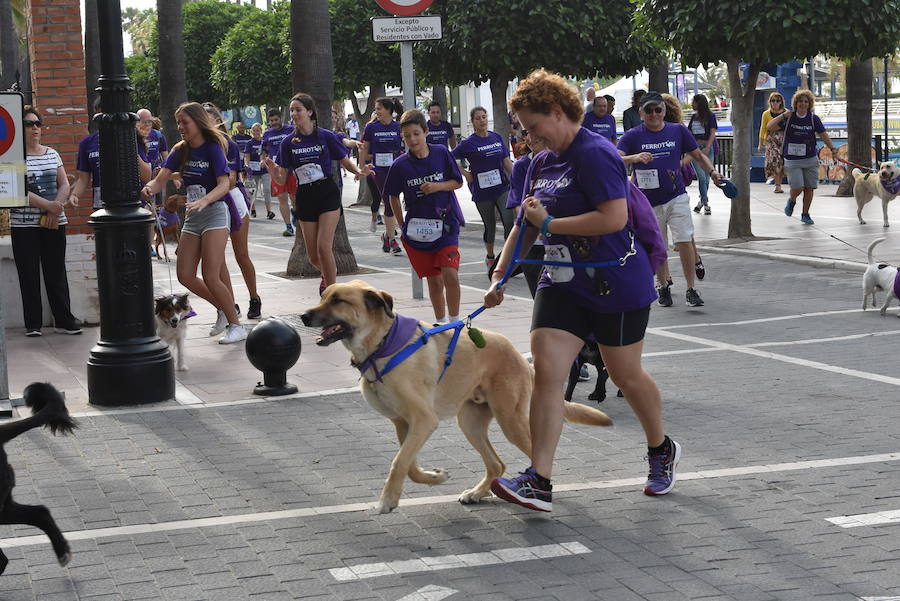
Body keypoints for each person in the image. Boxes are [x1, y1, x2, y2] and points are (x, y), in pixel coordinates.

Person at [484, 69, 679, 512]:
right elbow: (523, 227)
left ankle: (660, 447)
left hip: (615, 281)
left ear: (557, 112)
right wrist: (500, 275)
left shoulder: (596, 153)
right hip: (562, 281)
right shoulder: (538, 163)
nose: (529, 137)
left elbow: (613, 218)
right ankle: (540, 479)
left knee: (627, 376)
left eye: (533, 127)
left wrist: (550, 224)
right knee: (548, 376)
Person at [140, 102, 247, 344]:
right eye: (178, 122)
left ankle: (236, 325)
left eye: (184, 122)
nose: (180, 127)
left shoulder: (213, 148)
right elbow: (160, 180)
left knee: (211, 274)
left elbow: (224, 184)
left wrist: (206, 200)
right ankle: (223, 309)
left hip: (216, 213)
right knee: (185, 275)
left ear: (198, 123)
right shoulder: (180, 149)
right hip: (193, 216)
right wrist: (149, 188)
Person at [618, 92, 721, 308]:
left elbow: (698, 155)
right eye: (649, 110)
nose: (654, 114)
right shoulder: (633, 136)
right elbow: (613, 157)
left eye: (658, 109)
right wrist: (634, 158)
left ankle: (691, 289)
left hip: (676, 196)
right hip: (647, 201)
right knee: (659, 246)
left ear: (664, 111)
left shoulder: (678, 131)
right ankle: (663, 285)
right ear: (641, 113)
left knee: (684, 239)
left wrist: (713, 173)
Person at [265, 93, 371, 296]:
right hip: (304, 195)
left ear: (310, 112)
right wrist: (272, 170)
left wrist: (359, 172)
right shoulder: (288, 143)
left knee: (324, 247)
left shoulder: (326, 136)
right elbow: (281, 179)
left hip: (327, 192)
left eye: (298, 109)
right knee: (313, 256)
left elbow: (344, 160)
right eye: (293, 110)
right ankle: (329, 275)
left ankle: (333, 293)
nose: (294, 114)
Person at [385, 109, 464, 323]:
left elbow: (458, 181)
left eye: (416, 133)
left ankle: (455, 321)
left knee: (451, 274)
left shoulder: (441, 153)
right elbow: (392, 196)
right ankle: (440, 323)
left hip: (446, 224)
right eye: (407, 135)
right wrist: (401, 224)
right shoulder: (400, 165)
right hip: (420, 229)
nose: (412, 139)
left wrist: (437, 186)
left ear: (426, 132)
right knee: (435, 281)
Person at [11, 107, 81, 337]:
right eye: (29, 124)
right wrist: (48, 206)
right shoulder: (13, 158)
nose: (35, 128)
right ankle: (33, 324)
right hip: (24, 226)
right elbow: (17, 190)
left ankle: (64, 320)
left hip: (54, 222)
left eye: (37, 124)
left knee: (56, 272)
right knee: (28, 274)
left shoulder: (52, 153)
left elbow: (64, 184)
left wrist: (56, 208)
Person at [203, 103, 262, 321]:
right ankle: (230, 304)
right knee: (216, 259)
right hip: (210, 202)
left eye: (208, 119)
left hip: (232, 200)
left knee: (241, 253)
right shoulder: (196, 146)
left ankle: (254, 297)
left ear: (218, 121)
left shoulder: (229, 145)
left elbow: (231, 179)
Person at [452, 106, 514, 270]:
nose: (482, 120)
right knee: (490, 226)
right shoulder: (468, 143)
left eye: (484, 117)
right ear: (473, 122)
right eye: (478, 118)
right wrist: (465, 173)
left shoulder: (496, 137)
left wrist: (519, 179)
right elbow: (449, 158)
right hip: (482, 191)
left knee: (509, 221)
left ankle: (507, 258)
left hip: (501, 187)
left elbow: (506, 161)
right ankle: (490, 256)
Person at [768, 89, 837, 225]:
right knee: (798, 186)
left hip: (810, 158)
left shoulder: (813, 118)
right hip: (792, 159)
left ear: (809, 104)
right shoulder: (789, 117)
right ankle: (792, 200)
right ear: (796, 103)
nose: (803, 104)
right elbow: (769, 126)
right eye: (800, 101)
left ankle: (805, 214)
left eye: (806, 102)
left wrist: (833, 148)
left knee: (809, 187)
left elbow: (823, 134)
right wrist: (783, 116)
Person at [661, 94, 706, 282]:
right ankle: (689, 263)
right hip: (660, 184)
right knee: (679, 228)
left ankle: (692, 261)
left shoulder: (677, 130)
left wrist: (679, 164)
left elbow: (693, 152)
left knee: (681, 227)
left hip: (675, 180)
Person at [359, 97, 404, 253]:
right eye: (376, 109)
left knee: (395, 201)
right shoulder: (372, 127)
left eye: (379, 109)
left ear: (388, 110)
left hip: (396, 169)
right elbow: (364, 148)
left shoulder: (398, 127)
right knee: (388, 201)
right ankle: (393, 240)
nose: (376, 112)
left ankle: (387, 235)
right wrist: (361, 168)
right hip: (378, 171)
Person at [260, 108, 297, 236]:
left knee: (294, 198)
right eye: (271, 121)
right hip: (276, 170)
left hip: (291, 168)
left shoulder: (290, 129)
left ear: (281, 118)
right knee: (282, 198)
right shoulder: (267, 134)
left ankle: (295, 214)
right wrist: (263, 160)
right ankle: (288, 227)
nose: (274, 123)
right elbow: (263, 151)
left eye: (276, 120)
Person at [687, 95, 718, 215]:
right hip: (695, 150)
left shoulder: (711, 116)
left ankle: (701, 201)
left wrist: (708, 147)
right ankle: (705, 203)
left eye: (693, 102)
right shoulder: (694, 117)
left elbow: (712, 133)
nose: (691, 104)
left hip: (707, 149)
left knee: (707, 177)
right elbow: (688, 132)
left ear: (698, 103)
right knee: (701, 176)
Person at [758, 92, 787, 194]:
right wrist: (760, 143)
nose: (775, 103)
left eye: (777, 100)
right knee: (774, 162)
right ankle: (777, 185)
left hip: (784, 140)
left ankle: (782, 184)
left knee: (783, 162)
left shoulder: (786, 112)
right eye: (772, 100)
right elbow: (763, 128)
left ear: (781, 102)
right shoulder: (766, 114)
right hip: (771, 141)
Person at [244, 123, 273, 219]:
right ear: (252, 132)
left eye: (257, 130)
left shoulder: (264, 142)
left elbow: (269, 153)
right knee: (252, 191)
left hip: (264, 169)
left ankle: (269, 211)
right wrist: (247, 166)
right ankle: (252, 209)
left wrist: (265, 161)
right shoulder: (249, 143)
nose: (256, 132)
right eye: (254, 130)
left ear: (261, 131)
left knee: (267, 190)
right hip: (253, 170)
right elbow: (246, 156)